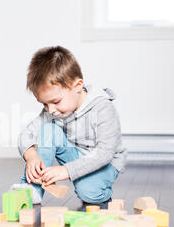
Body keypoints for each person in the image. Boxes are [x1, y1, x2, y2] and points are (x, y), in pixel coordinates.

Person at [10, 46, 127, 206]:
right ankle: (32, 189)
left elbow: (104, 153)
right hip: (76, 154)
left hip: (105, 161)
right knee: (48, 130)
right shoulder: (53, 110)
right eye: (44, 104)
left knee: (89, 193)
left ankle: (102, 190)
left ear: (77, 86)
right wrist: (31, 157)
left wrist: (66, 171)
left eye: (56, 101)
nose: (50, 110)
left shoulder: (103, 108)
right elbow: (26, 134)